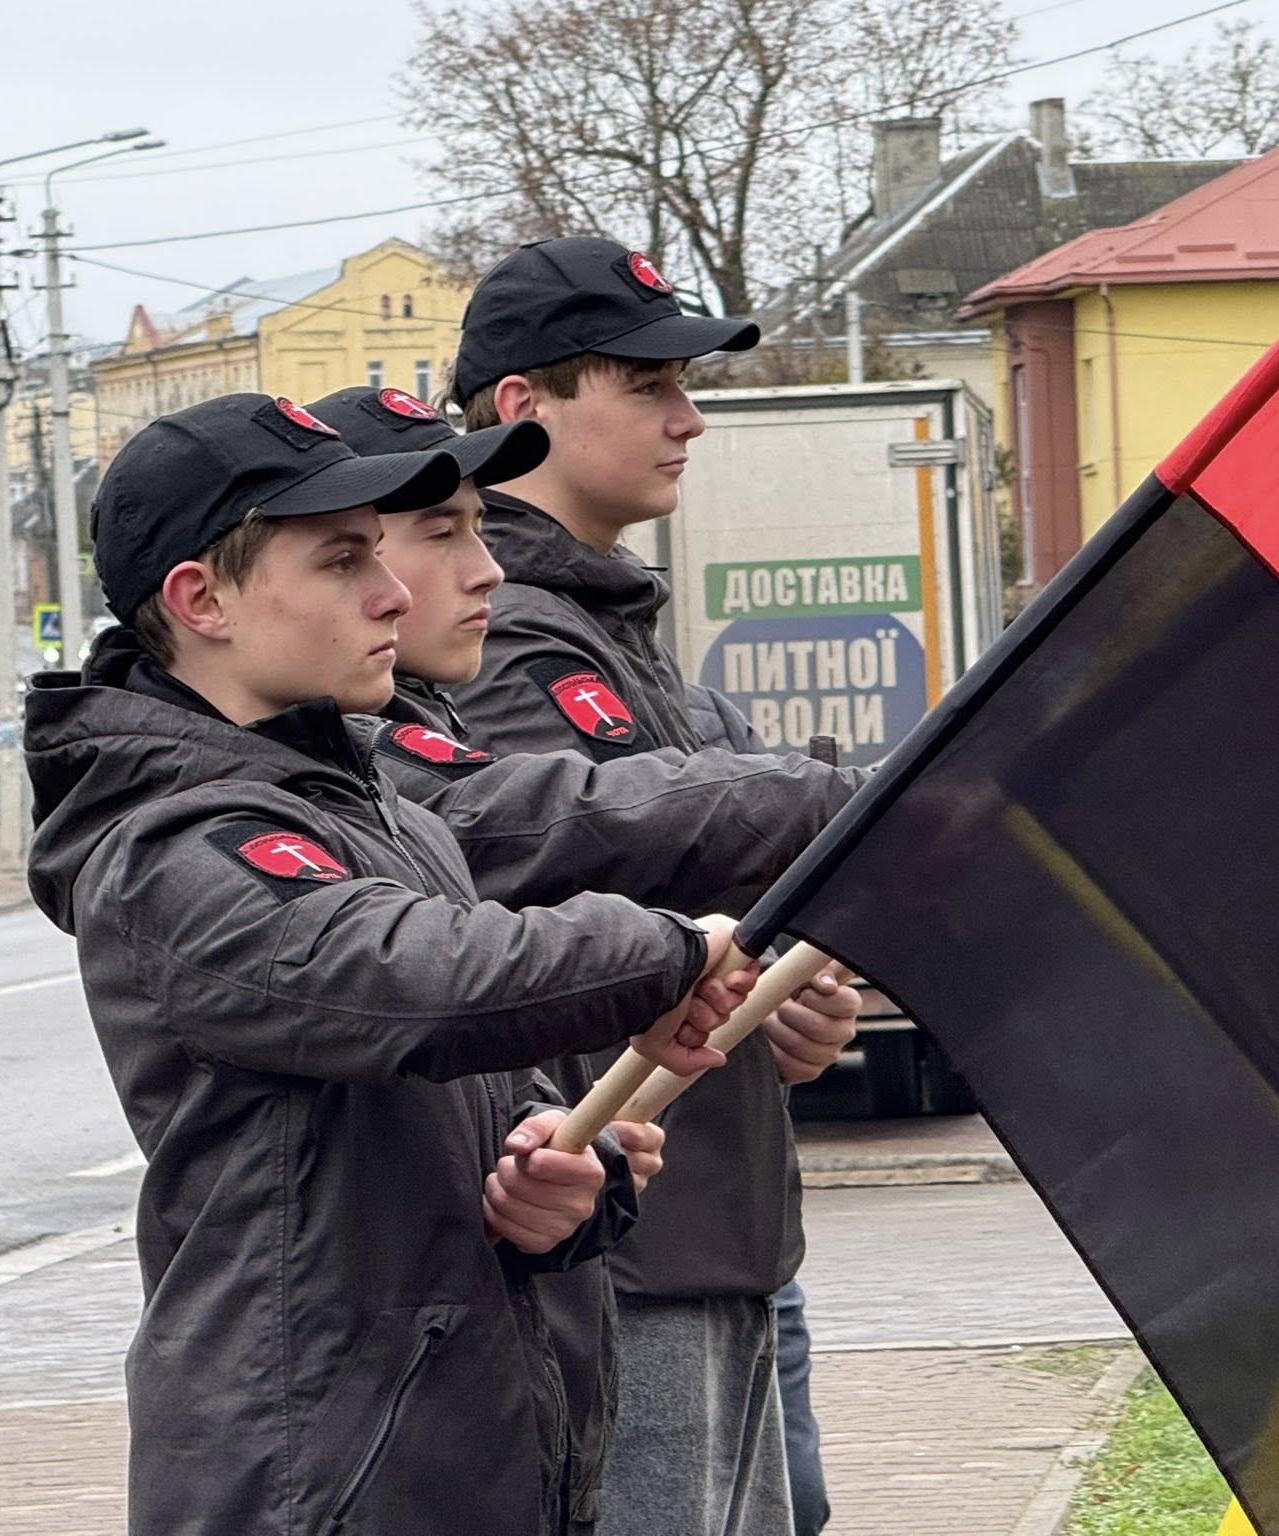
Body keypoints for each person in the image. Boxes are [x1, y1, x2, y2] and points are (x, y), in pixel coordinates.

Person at [23, 392, 755, 1536]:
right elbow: (416, 980)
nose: (394, 593)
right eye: (341, 560)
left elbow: (493, 1118)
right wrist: (662, 952)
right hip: (313, 1484)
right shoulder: (170, 844)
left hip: (467, 1461)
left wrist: (571, 1178)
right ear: (199, 598)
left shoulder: (381, 816)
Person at [304, 380, 865, 1533]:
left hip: (651, 1235)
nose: (481, 571)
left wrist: (749, 982)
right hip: (524, 1314)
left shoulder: (516, 676)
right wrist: (669, 953)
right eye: (435, 534)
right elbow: (553, 830)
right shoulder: (288, 797)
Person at [446, 237, 845, 1536]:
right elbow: (596, 852)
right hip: (627, 1250)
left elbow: (731, 885)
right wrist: (836, 797)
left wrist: (798, 994)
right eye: (644, 381)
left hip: (715, 1235)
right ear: (522, 410)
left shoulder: (611, 626)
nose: (688, 417)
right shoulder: (501, 640)